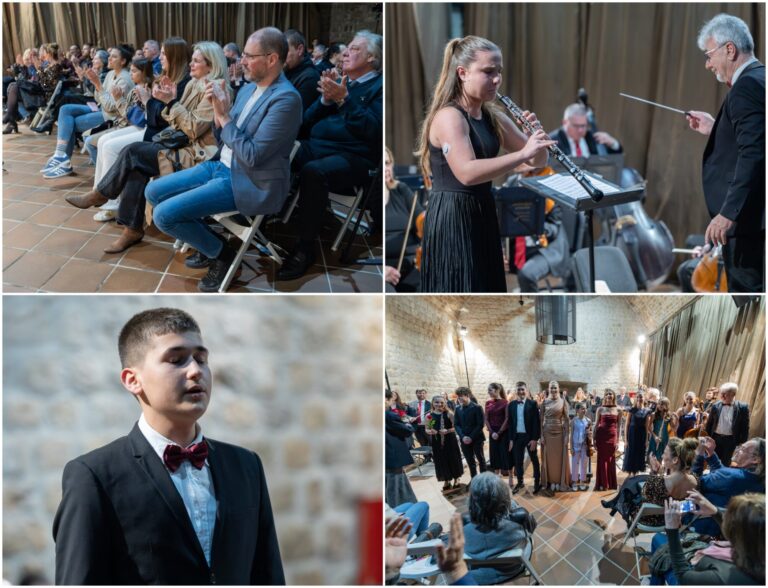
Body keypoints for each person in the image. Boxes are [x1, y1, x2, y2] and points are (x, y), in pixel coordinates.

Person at [52, 308, 283, 584]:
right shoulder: (94, 476)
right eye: (176, 360)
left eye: (201, 358)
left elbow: (267, 575)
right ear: (132, 380)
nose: (196, 371)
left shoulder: (247, 466)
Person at [144, 28, 303, 292]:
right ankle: (208, 242)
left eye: (250, 56)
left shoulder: (286, 99)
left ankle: (222, 254)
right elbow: (225, 138)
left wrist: (224, 116)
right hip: (220, 165)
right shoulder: (248, 89)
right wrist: (220, 116)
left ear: (272, 59)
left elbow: (252, 156)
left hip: (248, 180)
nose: (241, 62)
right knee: (153, 191)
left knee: (163, 216)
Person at [415, 36, 553, 292]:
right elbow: (466, 173)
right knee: (460, 289)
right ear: (462, 73)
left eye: (499, 72)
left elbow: (537, 160)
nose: (497, 79)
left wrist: (537, 137)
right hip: (452, 215)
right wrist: (523, 154)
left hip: (482, 210)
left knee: (485, 287)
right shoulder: (449, 117)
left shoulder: (493, 117)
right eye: (488, 72)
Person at [65, 41, 227, 255]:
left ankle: (103, 196)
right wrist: (167, 102)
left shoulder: (214, 88)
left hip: (197, 155)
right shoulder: (192, 84)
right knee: (136, 163)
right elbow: (174, 122)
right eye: (191, 59)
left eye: (196, 60)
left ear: (211, 64)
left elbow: (193, 129)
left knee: (133, 152)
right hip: (180, 144)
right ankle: (130, 227)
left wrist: (169, 103)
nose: (191, 64)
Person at [277, 30, 383, 280]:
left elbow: (374, 131)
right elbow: (304, 122)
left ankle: (305, 249)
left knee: (314, 171)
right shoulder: (342, 82)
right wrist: (325, 99)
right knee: (278, 147)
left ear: (372, 58)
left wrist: (344, 100)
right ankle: (258, 212)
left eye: (355, 49)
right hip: (319, 146)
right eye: (348, 48)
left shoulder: (379, 87)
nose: (346, 52)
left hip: (355, 158)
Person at [686, 14, 765, 293]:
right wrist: (718, 128)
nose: (708, 64)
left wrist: (727, 214)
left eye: (709, 55)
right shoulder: (761, 78)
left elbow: (754, 153)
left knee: (750, 307)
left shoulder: (745, 88)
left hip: (748, 225)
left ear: (729, 49)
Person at [88, 38, 192, 223]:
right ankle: (100, 193)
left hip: (164, 135)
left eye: (163, 53)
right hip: (154, 129)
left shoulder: (183, 83)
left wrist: (147, 101)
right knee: (104, 142)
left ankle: (109, 201)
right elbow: (150, 116)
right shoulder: (163, 79)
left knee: (114, 147)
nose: (159, 57)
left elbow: (156, 119)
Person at [40, 44, 135, 179]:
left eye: (114, 57)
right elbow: (98, 98)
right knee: (65, 109)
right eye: (110, 56)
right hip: (102, 109)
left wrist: (97, 84)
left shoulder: (124, 79)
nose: (110, 59)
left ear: (123, 61)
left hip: (112, 118)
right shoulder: (110, 74)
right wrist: (96, 84)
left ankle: (64, 161)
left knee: (69, 124)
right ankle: (60, 155)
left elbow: (111, 107)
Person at [660, 492, 764, 585]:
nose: (725, 516)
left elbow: (683, 576)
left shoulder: (725, 577)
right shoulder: (757, 549)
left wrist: (672, 530)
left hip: (686, 576)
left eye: (727, 515)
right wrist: (715, 512)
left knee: (659, 542)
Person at [462, 473, 533, 585]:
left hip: (478, 576)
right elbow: (530, 532)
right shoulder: (516, 526)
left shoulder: (463, 530)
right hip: (512, 570)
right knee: (528, 538)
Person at [690, 435, 765, 537]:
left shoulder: (734, 477)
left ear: (755, 459)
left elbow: (694, 482)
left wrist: (699, 454)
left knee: (672, 506)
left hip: (699, 527)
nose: (737, 450)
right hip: (726, 531)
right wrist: (711, 453)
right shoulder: (759, 479)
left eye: (743, 449)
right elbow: (723, 475)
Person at [625, 437, 699, 527]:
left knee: (629, 494)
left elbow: (645, 495)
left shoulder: (659, 483)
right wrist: (660, 471)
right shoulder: (696, 481)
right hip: (677, 519)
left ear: (675, 460)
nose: (662, 456)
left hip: (653, 520)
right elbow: (689, 505)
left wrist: (653, 472)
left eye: (664, 453)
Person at [384, 146, 422, 292]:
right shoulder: (373, 198)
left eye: (388, 163)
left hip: (412, 264)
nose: (386, 168)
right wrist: (382, 270)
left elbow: (422, 219)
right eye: (382, 165)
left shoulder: (401, 190)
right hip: (385, 269)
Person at [503, 381, 541, 494]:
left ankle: (537, 482)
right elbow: (510, 424)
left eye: (522, 389)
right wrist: (510, 439)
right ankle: (520, 482)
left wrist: (535, 439)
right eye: (518, 389)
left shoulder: (533, 404)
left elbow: (536, 423)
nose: (520, 391)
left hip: (529, 437)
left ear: (526, 390)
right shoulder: (511, 405)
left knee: (534, 459)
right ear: (516, 391)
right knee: (518, 461)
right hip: (517, 437)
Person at [548, 103, 622, 157]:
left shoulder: (592, 136)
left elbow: (614, 160)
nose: (580, 130)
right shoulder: (553, 140)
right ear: (564, 122)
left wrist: (613, 143)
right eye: (576, 126)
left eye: (583, 126)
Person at [704, 382, 750, 465]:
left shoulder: (743, 407)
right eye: (721, 394)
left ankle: (722, 477)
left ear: (733, 394)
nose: (722, 396)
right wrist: (707, 437)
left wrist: (742, 443)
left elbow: (745, 427)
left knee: (725, 463)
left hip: (730, 440)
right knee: (713, 462)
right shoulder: (715, 406)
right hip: (715, 438)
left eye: (726, 394)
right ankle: (713, 477)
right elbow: (709, 424)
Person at [385, 390, 417, 506]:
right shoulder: (388, 415)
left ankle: (406, 505)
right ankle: (399, 511)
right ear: (387, 399)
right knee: (395, 487)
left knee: (394, 484)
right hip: (393, 456)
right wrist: (408, 425)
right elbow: (406, 431)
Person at [426, 395, 463, 491]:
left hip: (450, 440)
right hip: (437, 441)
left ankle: (456, 478)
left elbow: (456, 427)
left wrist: (447, 430)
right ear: (433, 403)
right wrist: (431, 431)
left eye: (441, 402)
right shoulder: (430, 415)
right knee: (441, 460)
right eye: (437, 402)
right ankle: (446, 479)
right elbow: (427, 428)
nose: (439, 404)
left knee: (453, 458)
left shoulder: (449, 413)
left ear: (445, 403)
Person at [540, 380, 571, 494]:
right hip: (547, 433)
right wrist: (541, 435)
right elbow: (540, 420)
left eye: (555, 388)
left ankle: (559, 481)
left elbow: (567, 420)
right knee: (549, 458)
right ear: (548, 389)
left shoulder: (563, 402)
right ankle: (551, 481)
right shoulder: (544, 402)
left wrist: (567, 435)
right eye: (551, 388)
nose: (553, 390)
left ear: (558, 389)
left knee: (559, 458)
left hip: (559, 433)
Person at [283, 29, 321, 112]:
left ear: (299, 50)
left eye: (285, 51)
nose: (280, 56)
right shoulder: (287, 70)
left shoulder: (310, 78)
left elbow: (293, 115)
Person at [454, 387, 486, 479]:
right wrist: (463, 437)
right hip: (464, 439)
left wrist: (471, 437)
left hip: (477, 438)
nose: (459, 399)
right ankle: (474, 479)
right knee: (470, 461)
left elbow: (480, 424)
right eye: (458, 397)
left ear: (467, 395)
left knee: (481, 459)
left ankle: (483, 480)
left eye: (461, 397)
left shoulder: (477, 407)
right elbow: (456, 424)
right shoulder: (457, 408)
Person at [594, 388, 620, 490]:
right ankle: (602, 483)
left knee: (610, 459)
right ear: (604, 396)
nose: (609, 395)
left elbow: (619, 426)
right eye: (607, 394)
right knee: (601, 459)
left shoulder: (618, 410)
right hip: (601, 437)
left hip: (612, 437)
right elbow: (596, 425)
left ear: (613, 396)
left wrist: (617, 441)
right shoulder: (600, 409)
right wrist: (593, 439)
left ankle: (610, 483)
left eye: (611, 394)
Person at [483, 382, 509, 476]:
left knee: (503, 454)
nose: (488, 392)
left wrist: (499, 432)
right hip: (492, 432)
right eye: (488, 390)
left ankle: (508, 475)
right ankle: (496, 476)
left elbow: (507, 418)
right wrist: (492, 432)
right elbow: (486, 418)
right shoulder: (488, 403)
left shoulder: (505, 402)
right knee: (494, 455)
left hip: (503, 432)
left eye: (490, 390)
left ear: (497, 390)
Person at [623, 390, 650, 475]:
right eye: (638, 397)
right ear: (635, 398)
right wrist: (626, 440)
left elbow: (646, 427)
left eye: (641, 397)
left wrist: (646, 440)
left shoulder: (646, 411)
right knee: (631, 454)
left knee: (639, 454)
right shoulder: (631, 410)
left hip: (641, 436)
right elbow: (626, 425)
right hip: (632, 435)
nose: (639, 398)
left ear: (644, 398)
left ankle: (636, 474)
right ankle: (630, 474)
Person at [570, 403, 592, 490]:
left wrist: (589, 434)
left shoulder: (588, 420)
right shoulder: (574, 421)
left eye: (585, 408)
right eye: (582, 408)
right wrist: (571, 447)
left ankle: (583, 480)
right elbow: (571, 435)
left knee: (584, 463)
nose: (584, 410)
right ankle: (575, 481)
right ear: (577, 410)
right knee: (575, 463)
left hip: (585, 445)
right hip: (575, 445)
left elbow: (590, 434)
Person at [647, 396, 675, 461]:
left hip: (664, 438)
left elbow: (674, 428)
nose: (660, 405)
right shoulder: (654, 414)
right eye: (659, 404)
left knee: (660, 458)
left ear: (667, 406)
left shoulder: (668, 415)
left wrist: (675, 418)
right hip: (655, 437)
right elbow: (648, 427)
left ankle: (658, 469)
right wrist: (655, 437)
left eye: (662, 404)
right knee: (652, 457)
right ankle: (652, 471)